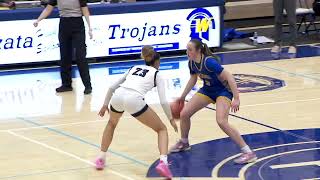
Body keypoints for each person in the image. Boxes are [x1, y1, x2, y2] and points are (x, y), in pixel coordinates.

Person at [169, 39, 257, 164]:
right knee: (184, 114)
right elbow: (193, 79)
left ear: (198, 50)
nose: (187, 52)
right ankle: (184, 142)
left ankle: (248, 152)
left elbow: (229, 77)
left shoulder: (209, 62)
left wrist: (236, 98)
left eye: (190, 49)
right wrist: (182, 97)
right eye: (187, 49)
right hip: (208, 90)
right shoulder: (192, 63)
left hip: (223, 91)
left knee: (221, 121)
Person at [95, 46, 178, 178]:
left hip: (118, 95)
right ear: (157, 62)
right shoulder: (157, 74)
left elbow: (112, 87)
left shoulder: (133, 68)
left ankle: (100, 158)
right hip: (134, 99)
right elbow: (163, 101)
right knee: (161, 129)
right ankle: (163, 162)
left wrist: (105, 105)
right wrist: (171, 119)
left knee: (111, 124)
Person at [33, 0, 93, 94]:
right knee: (65, 56)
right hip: (64, 24)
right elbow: (49, 8)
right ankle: (66, 85)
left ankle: (87, 85)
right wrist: (38, 20)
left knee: (80, 56)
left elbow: (85, 10)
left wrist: (90, 27)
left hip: (77, 24)